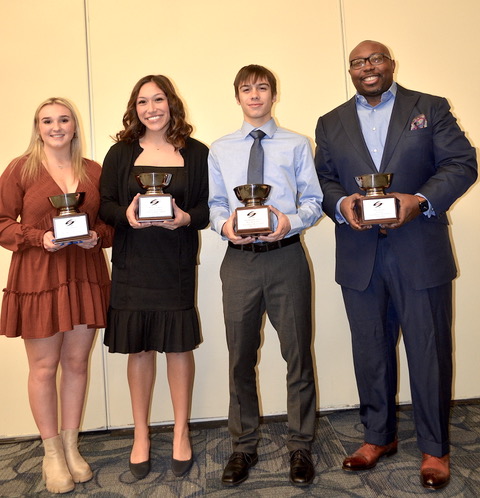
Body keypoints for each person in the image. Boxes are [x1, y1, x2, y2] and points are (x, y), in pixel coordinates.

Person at [315, 40, 477, 490]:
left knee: (428, 350)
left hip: (418, 249)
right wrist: (342, 202)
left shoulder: (430, 107)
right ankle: (377, 437)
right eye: (358, 62)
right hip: (359, 253)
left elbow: (462, 163)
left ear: (390, 64)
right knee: (369, 349)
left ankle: (434, 447)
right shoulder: (330, 122)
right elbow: (323, 179)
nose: (368, 67)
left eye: (376, 59)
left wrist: (419, 199)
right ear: (350, 70)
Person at [208, 64, 323, 487]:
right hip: (239, 263)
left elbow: (313, 200)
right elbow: (216, 203)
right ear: (236, 96)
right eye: (246, 88)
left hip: (285, 257)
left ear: (274, 95)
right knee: (239, 356)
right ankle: (243, 446)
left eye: (262, 88)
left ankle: (300, 445)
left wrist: (287, 222)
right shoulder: (220, 149)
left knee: (297, 353)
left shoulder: (296, 144)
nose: (254, 95)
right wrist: (226, 227)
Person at [0, 97, 112, 494]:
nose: (56, 127)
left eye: (63, 119)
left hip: (83, 273)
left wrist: (97, 237)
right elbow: (0, 223)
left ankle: (70, 446)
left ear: (74, 126)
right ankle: (51, 453)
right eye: (47, 121)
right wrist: (37, 237)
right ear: (37, 127)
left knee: (77, 363)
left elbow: (109, 224)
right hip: (38, 277)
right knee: (44, 367)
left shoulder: (94, 171)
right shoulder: (20, 169)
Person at [99, 74, 209, 480]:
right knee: (140, 349)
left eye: (158, 99)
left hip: (175, 264)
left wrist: (184, 218)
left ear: (171, 103)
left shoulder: (196, 153)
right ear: (135, 108)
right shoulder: (121, 152)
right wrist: (125, 215)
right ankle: (140, 434)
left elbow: (206, 209)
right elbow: (105, 205)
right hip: (133, 263)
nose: (151, 108)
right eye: (143, 102)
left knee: (179, 348)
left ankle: (181, 432)